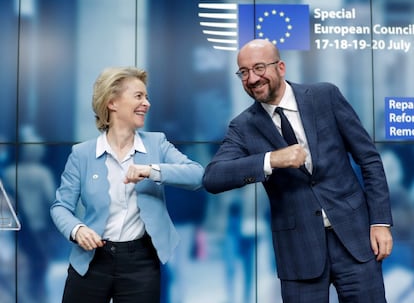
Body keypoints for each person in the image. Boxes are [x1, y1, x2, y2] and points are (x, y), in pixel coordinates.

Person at [202, 39, 393, 302]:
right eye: (243, 72)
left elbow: (369, 159)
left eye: (259, 68)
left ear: (280, 67)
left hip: (356, 241)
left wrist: (380, 222)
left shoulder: (325, 96)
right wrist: (271, 159)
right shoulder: (243, 126)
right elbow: (213, 177)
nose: (252, 78)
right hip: (298, 253)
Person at [50, 66, 204, 303]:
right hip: (91, 260)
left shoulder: (157, 143)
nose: (147, 103)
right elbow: (60, 206)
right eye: (138, 96)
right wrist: (77, 230)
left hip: (140, 262)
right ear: (112, 103)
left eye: (147, 96)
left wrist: (151, 170)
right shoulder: (82, 154)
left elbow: (196, 175)